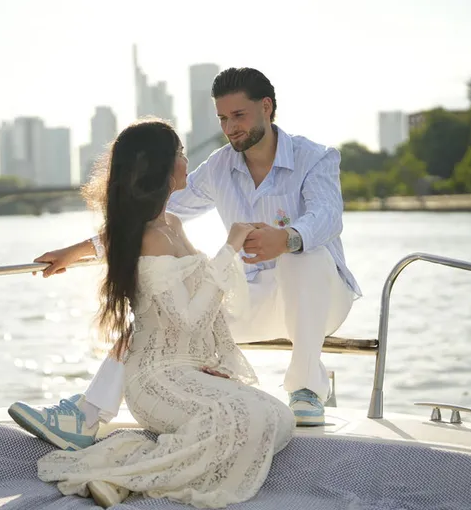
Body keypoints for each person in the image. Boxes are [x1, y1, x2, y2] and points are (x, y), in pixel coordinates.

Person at [12, 67, 362, 451]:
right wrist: (80, 250)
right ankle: (86, 414)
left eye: (239, 115)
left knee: (302, 256)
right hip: (249, 300)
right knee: (154, 313)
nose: (230, 128)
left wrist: (287, 238)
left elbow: (327, 216)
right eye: (223, 118)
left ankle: (306, 389)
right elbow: (151, 215)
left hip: (319, 301)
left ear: (266, 107)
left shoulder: (316, 158)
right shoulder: (219, 166)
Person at [15, 118, 294, 508]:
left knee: (279, 418)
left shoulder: (171, 224)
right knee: (244, 419)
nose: (186, 161)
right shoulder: (151, 237)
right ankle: (116, 471)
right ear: (161, 167)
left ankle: (134, 467)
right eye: (180, 153)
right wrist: (230, 246)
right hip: (155, 379)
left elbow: (119, 236)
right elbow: (190, 319)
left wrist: (74, 251)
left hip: (194, 370)